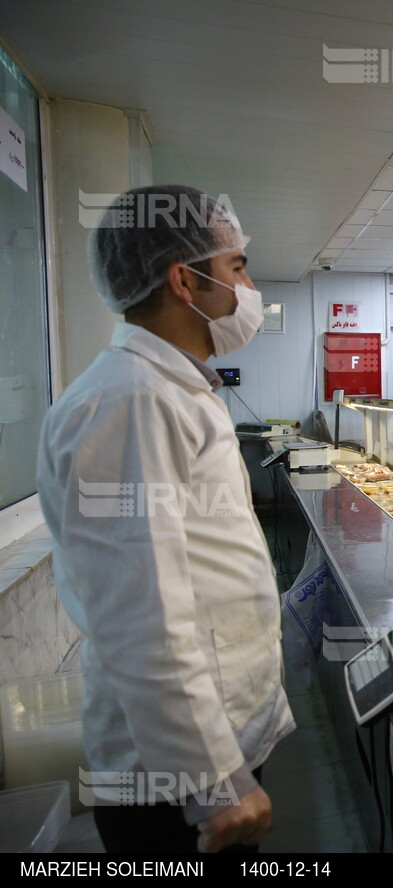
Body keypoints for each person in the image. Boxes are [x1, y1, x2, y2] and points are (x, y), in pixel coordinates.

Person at [36, 185, 293, 855]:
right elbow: (141, 613)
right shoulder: (131, 401)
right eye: (236, 267)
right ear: (185, 280)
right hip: (175, 780)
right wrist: (212, 779)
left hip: (211, 749)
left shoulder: (174, 388)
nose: (249, 287)